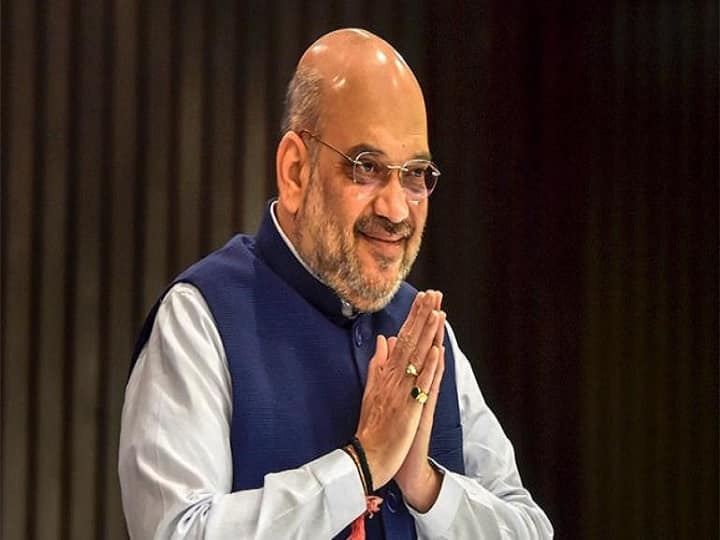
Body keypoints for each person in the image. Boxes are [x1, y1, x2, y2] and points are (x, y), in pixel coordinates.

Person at [119, 28, 553, 539]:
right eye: (366, 168)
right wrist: (359, 466)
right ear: (296, 172)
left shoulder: (428, 336)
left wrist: (425, 485)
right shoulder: (201, 320)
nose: (396, 210)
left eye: (415, 174)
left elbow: (529, 528)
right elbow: (177, 531)